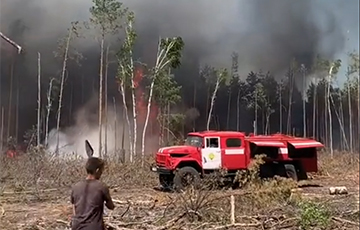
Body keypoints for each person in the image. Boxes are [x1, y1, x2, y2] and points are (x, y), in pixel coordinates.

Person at [70, 157, 115, 230]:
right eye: (101, 171)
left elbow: (74, 211)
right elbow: (111, 206)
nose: (101, 173)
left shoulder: (75, 187)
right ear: (97, 170)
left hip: (77, 227)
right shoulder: (101, 186)